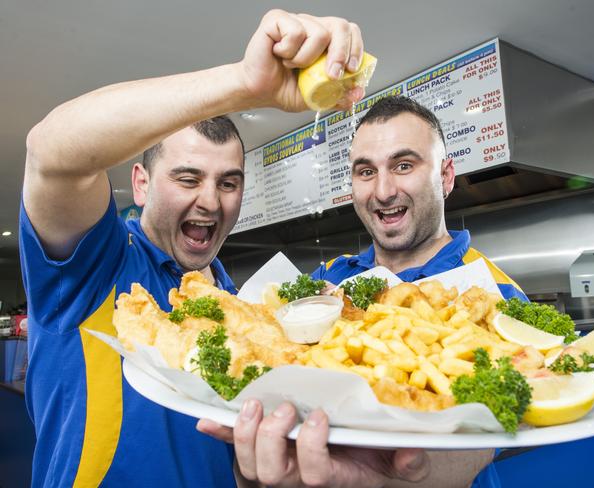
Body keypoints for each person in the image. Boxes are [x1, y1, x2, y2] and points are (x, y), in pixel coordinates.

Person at [21, 9, 438, 488]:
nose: (210, 200)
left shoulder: (232, 297)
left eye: (229, 182)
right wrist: (243, 83)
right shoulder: (96, 264)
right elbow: (51, 152)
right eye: (187, 178)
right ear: (141, 184)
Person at [310, 95, 530, 487]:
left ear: (445, 177)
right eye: (365, 172)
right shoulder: (329, 275)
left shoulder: (493, 291)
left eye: (404, 165)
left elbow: (490, 438)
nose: (383, 191)